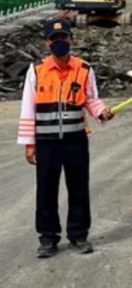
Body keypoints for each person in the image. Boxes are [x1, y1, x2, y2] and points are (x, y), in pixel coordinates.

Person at [17, 18, 114, 258]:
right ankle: (48, 239)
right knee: (46, 191)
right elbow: (28, 108)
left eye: (64, 38)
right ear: (47, 42)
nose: (60, 42)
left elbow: (90, 98)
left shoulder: (83, 69)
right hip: (46, 144)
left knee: (78, 189)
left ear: (71, 39)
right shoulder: (37, 70)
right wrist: (29, 144)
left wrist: (101, 111)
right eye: (54, 39)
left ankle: (79, 236)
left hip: (76, 141)